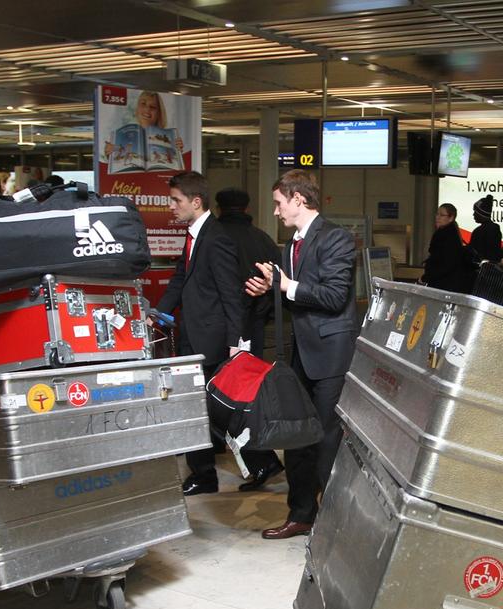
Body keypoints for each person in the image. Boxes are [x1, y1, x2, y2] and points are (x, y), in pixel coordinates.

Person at [244, 170, 357, 540]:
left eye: (278, 203)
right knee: (296, 438)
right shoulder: (291, 246)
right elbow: (298, 298)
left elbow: (334, 296)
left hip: (330, 356)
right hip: (302, 354)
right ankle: (302, 514)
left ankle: (338, 523)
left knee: (326, 441)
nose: (275, 211)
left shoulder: (336, 238)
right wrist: (270, 289)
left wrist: (287, 284)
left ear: (297, 199)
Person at [153, 172, 244, 496]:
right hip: (192, 335)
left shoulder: (215, 238)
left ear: (196, 201)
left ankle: (206, 475)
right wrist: (159, 315)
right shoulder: (193, 235)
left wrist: (237, 345)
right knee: (200, 406)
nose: (171, 206)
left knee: (204, 407)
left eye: (176, 200)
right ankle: (249, 464)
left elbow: (231, 295)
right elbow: (180, 280)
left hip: (211, 340)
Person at [214, 186, 284, 492]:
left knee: (222, 394)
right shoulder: (263, 239)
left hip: (223, 329)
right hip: (253, 329)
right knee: (246, 395)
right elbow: (277, 283)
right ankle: (260, 457)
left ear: (217, 206)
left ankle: (260, 459)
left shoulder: (215, 237)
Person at [421, 203, 474, 293]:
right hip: (448, 283)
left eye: (442, 215)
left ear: (451, 218)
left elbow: (445, 263)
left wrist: (427, 276)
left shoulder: (446, 235)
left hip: (443, 284)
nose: (437, 217)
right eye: (437, 214)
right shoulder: (452, 233)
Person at [467, 194, 501, 264]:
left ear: (481, 214)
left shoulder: (478, 232)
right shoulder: (496, 228)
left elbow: (471, 255)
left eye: (475, 212)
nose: (473, 214)